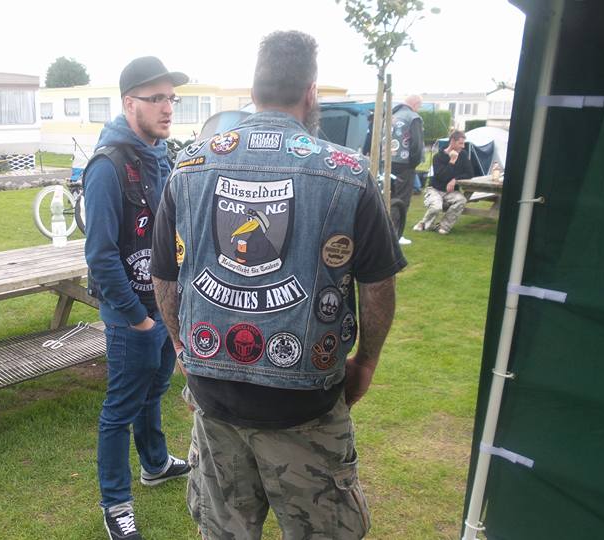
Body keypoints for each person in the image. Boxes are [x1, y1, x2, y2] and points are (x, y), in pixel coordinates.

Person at [151, 31, 406, 539]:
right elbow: (377, 284)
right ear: (310, 93)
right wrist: (367, 361)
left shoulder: (191, 164)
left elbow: (164, 274)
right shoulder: (348, 173)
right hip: (306, 400)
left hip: (215, 393)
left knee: (224, 532)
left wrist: (181, 344)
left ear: (254, 90)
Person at [83, 56, 191, 540]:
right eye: (157, 98)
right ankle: (115, 503)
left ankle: (155, 463)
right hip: (132, 317)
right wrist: (139, 320)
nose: (168, 108)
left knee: (154, 391)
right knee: (120, 409)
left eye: (171, 98)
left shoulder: (160, 157)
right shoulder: (107, 167)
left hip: (163, 307)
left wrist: (168, 311)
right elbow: (100, 256)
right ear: (130, 104)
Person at [412, 130, 471, 235]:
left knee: (461, 200)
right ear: (452, 141)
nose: (463, 146)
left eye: (463, 143)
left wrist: (455, 180)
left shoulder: (463, 155)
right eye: (460, 143)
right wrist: (452, 161)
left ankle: (443, 226)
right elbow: (442, 176)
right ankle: (423, 224)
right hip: (435, 190)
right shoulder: (438, 157)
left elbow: (470, 173)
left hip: (451, 192)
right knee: (436, 207)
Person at [388, 95, 425, 246]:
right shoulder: (413, 117)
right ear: (415, 104)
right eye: (419, 106)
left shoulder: (391, 115)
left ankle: (384, 230)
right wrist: (414, 163)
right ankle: (396, 234)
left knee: (388, 196)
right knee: (402, 200)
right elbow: (416, 143)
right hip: (405, 164)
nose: (419, 109)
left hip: (387, 161)